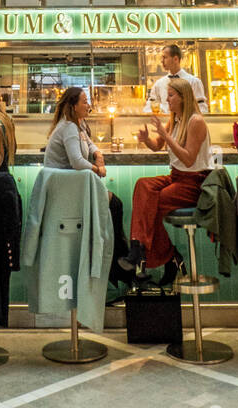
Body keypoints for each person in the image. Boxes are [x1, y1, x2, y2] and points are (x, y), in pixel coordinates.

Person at [127, 77, 212, 287]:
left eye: (171, 96)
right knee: (142, 185)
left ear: (183, 97)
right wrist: (147, 139)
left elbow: (189, 158)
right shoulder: (175, 119)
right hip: (176, 176)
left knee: (153, 203)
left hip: (194, 183)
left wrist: (166, 135)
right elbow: (157, 146)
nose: (167, 100)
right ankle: (149, 251)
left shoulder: (196, 121)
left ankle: (143, 254)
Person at [44, 86, 130, 289]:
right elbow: (76, 161)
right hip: (65, 193)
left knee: (113, 205)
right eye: (84, 101)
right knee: (114, 204)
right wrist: (97, 169)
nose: (88, 105)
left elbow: (90, 145)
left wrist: (98, 155)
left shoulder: (78, 125)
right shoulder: (69, 128)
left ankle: (115, 263)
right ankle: (115, 264)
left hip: (71, 187)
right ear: (73, 107)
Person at [143, 44, 207, 114]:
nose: (161, 61)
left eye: (165, 57)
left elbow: (202, 109)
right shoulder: (159, 84)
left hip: (187, 123)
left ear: (176, 59)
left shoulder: (194, 82)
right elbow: (149, 107)